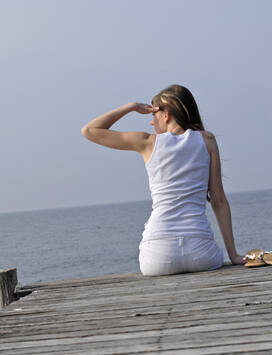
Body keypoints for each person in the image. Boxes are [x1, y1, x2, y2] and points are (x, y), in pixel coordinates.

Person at [81, 84, 245, 276]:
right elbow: (218, 201)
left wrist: (131, 107)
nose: (151, 122)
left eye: (153, 115)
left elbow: (89, 130)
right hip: (201, 252)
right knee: (210, 255)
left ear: (166, 115)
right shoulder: (207, 140)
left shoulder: (146, 142)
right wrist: (233, 255)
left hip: (157, 256)